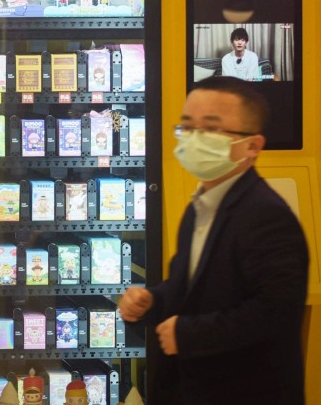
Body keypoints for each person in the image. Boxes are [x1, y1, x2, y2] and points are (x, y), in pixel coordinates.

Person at [118, 76, 308, 405]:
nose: (194, 138)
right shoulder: (198, 208)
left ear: (253, 146)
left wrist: (188, 334)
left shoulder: (267, 215)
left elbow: (276, 312)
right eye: (187, 126)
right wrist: (153, 301)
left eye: (211, 128)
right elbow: (187, 287)